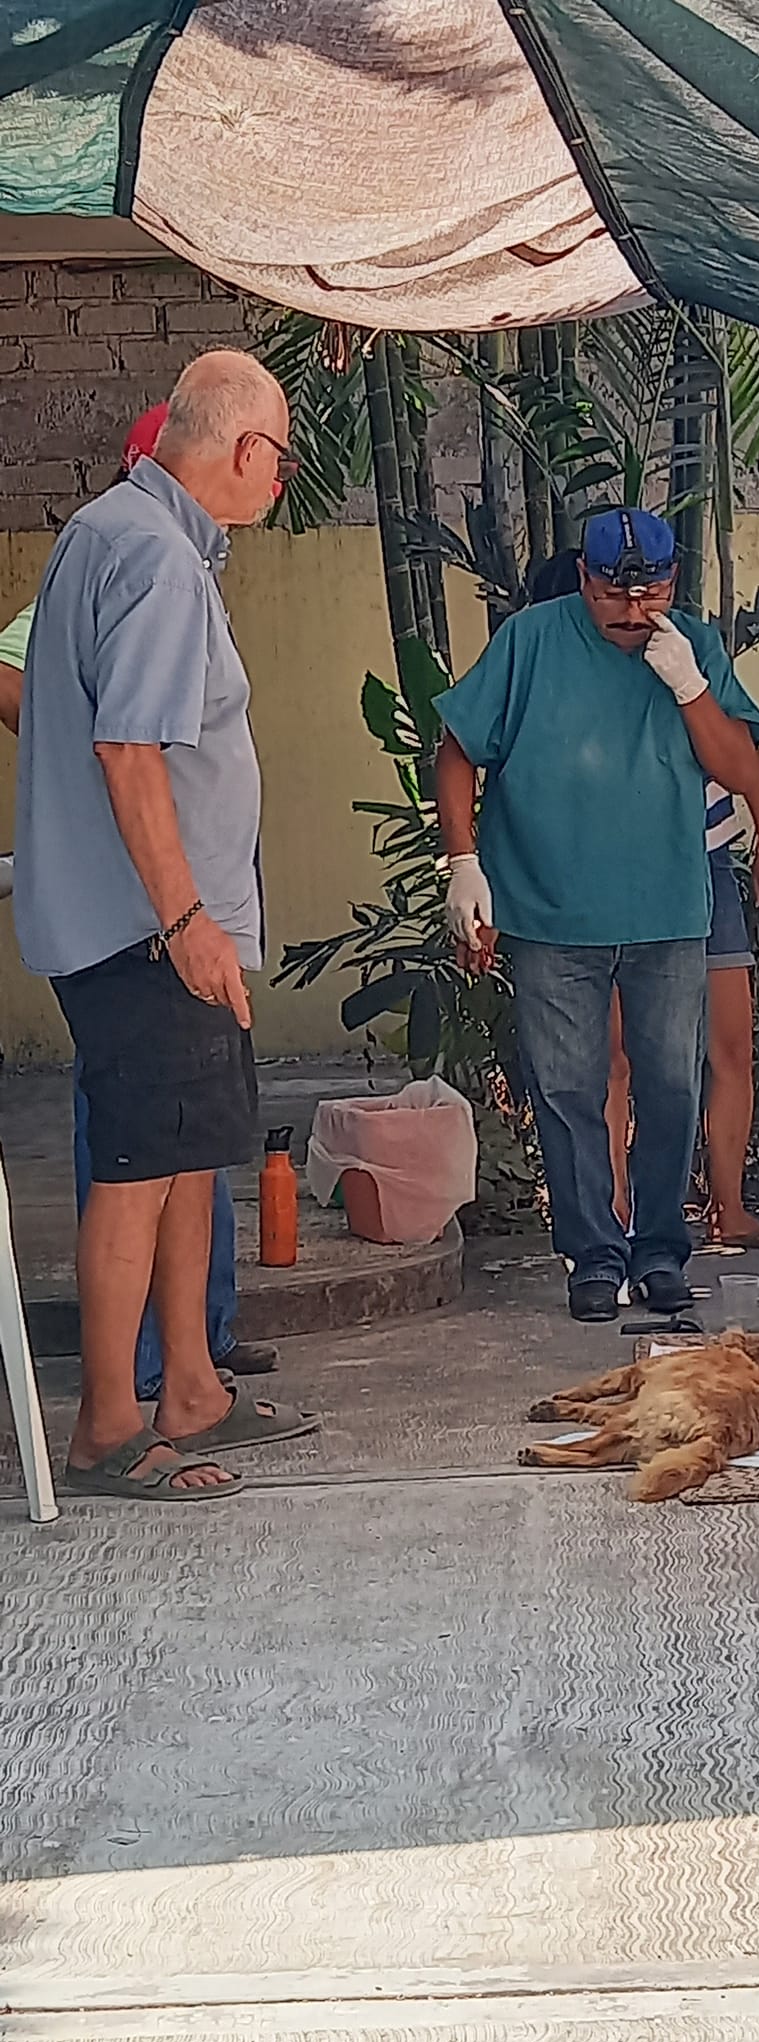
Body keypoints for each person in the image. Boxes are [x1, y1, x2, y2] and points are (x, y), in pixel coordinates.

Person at [15, 349, 316, 1500]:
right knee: (140, 1165)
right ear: (245, 449)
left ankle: (190, 1385)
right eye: (281, 457)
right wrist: (185, 915)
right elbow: (128, 749)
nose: (280, 479)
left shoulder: (119, 532)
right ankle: (107, 1423)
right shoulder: (152, 555)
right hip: (146, 927)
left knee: (189, 1154)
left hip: (162, 920)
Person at [436, 507, 759, 1322]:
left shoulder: (691, 644)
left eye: (648, 592)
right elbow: (457, 748)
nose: (630, 611)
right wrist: (463, 863)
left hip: (666, 909)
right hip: (549, 909)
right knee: (565, 1091)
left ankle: (658, 1252)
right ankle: (592, 1255)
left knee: (669, 1086)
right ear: (582, 578)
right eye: (611, 594)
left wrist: (689, 687)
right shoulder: (529, 641)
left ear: (672, 580)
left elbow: (740, 766)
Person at [526, 548, 759, 1248]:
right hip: (607, 880)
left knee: (727, 1047)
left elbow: (742, 757)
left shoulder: (679, 653)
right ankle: (613, 1217)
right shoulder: (550, 676)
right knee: (612, 1058)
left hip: (703, 864)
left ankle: (727, 1207)